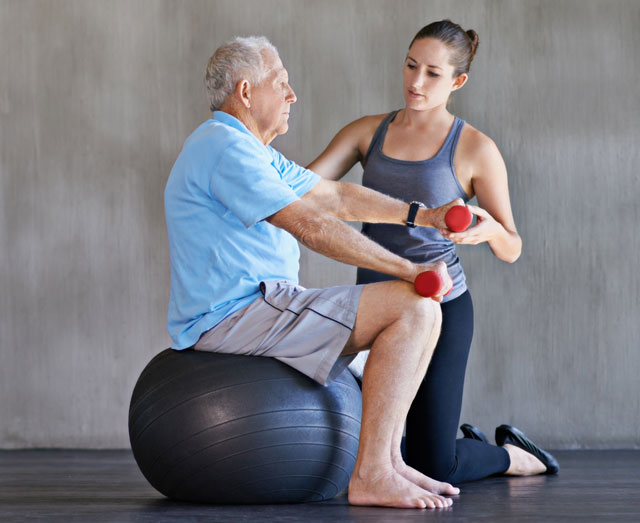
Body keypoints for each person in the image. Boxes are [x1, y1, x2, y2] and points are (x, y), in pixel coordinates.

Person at [164, 36, 467, 509]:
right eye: (281, 84)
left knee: (417, 315)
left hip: (264, 306)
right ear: (246, 92)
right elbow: (307, 224)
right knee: (413, 308)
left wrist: (421, 215)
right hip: (236, 315)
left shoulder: (253, 151)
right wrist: (408, 268)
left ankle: (388, 463)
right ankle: (370, 475)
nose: (292, 95)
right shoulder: (223, 147)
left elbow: (335, 198)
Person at [307, 20, 559, 483]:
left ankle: (512, 457)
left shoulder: (476, 149)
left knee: (432, 464)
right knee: (372, 449)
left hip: (440, 308)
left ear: (457, 81)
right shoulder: (368, 132)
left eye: (433, 73)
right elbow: (304, 187)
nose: (416, 82)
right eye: (410, 65)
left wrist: (487, 232)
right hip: (371, 307)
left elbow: (513, 247)